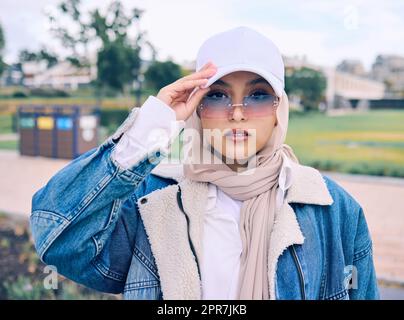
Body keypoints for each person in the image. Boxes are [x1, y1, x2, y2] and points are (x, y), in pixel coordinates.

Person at [30, 26, 379, 300]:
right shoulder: (154, 201)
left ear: (279, 109)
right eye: (217, 96)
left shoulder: (335, 211)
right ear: (197, 108)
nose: (238, 113)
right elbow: (58, 237)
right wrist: (152, 127)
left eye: (258, 95)